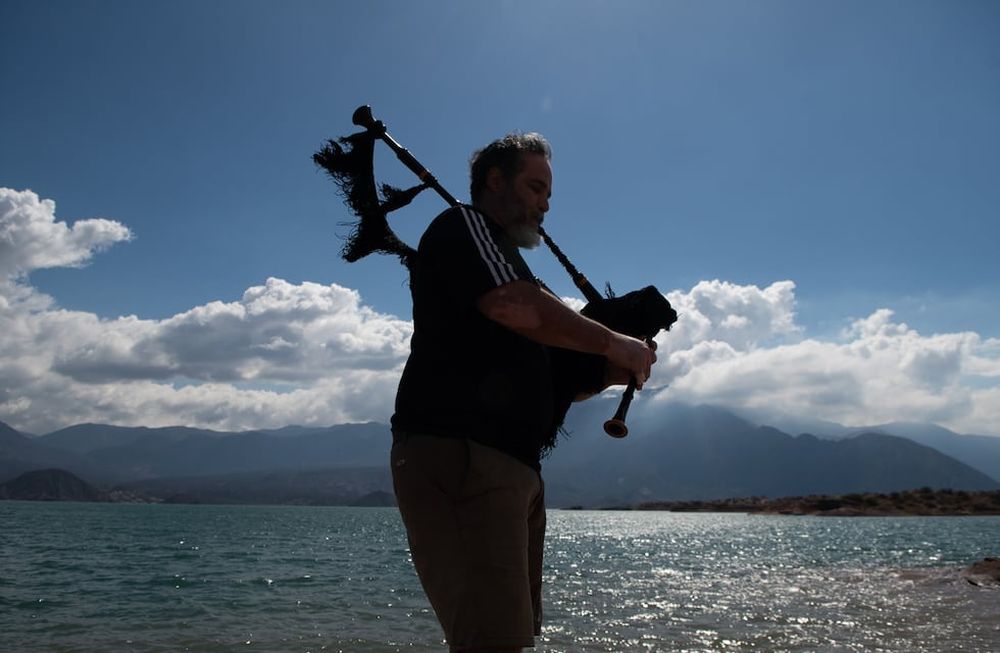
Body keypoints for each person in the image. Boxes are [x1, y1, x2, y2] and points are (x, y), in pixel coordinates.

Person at [390, 132, 657, 652]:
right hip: (465, 455)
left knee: (507, 637)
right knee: (494, 641)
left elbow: (556, 381)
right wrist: (613, 341)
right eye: (535, 188)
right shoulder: (464, 225)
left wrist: (612, 370)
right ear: (495, 180)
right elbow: (512, 305)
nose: (545, 204)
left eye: (549, 194)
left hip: (509, 466)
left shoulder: (512, 265)